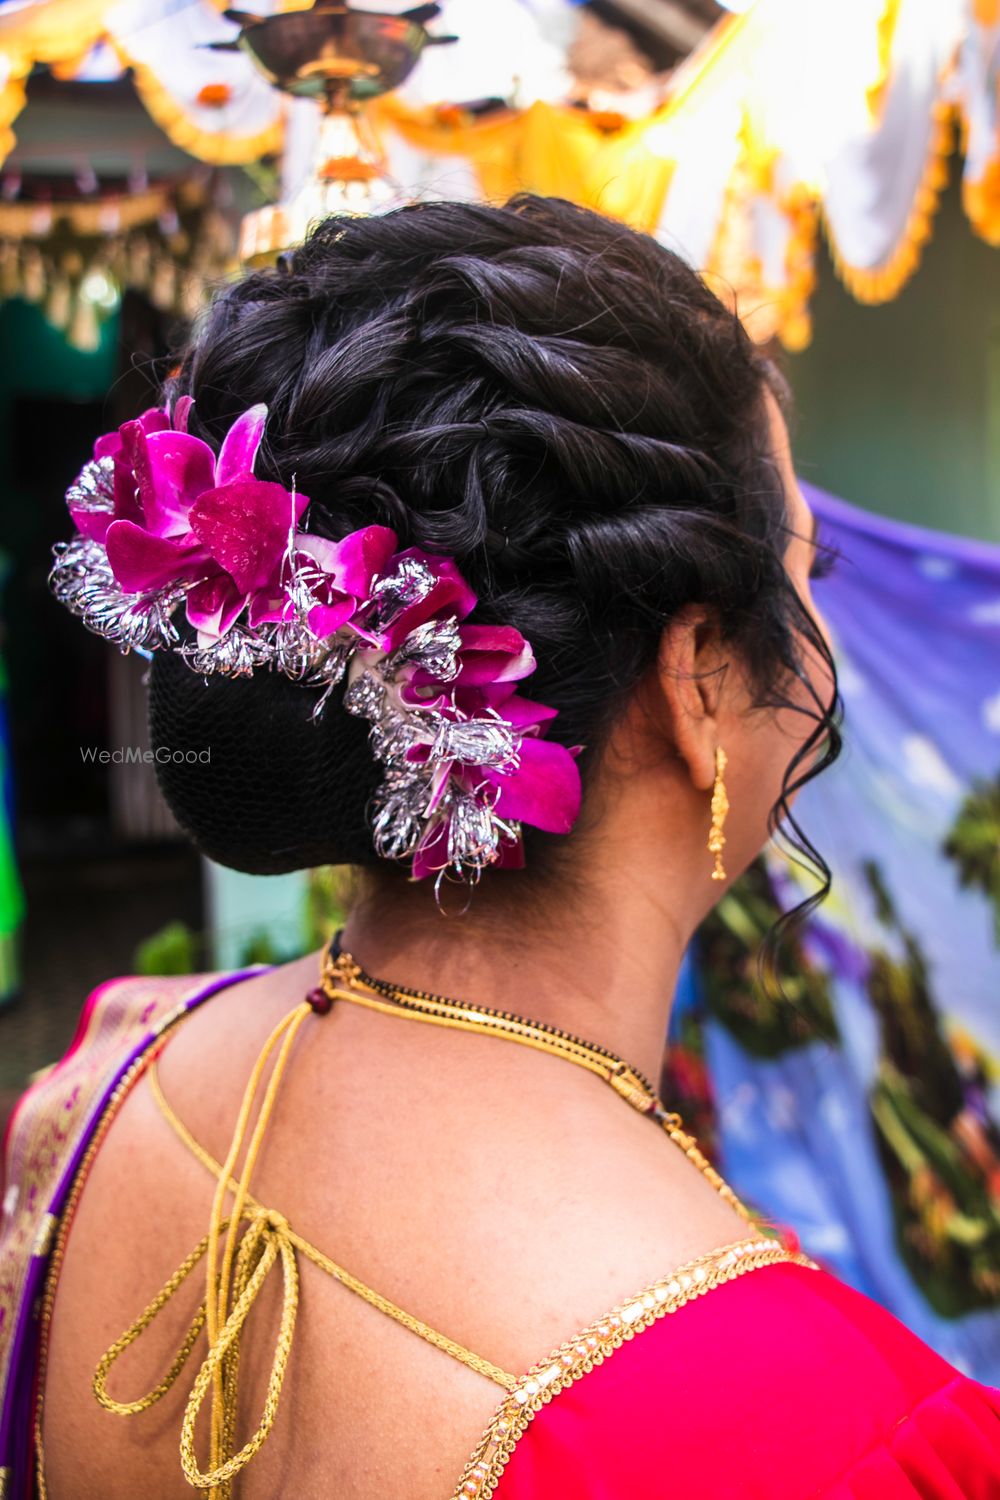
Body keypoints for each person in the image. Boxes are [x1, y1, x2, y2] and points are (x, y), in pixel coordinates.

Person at [3, 196, 998, 1499]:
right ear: (697, 676)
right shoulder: (823, 1435)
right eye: (809, 569)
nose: (820, 624)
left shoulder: (115, 1070)